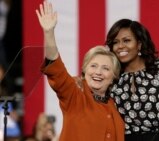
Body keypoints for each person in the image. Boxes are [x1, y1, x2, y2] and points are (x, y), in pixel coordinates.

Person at [36, 1, 124, 141]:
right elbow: (56, 70)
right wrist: (49, 32)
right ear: (84, 70)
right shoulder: (75, 96)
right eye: (93, 66)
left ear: (114, 76)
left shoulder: (117, 105)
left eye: (106, 68)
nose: (98, 72)